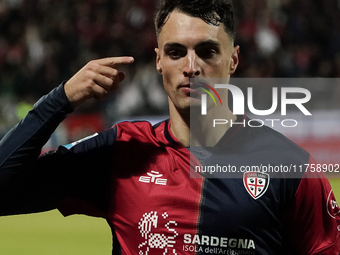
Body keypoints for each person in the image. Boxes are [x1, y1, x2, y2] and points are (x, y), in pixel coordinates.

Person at [0, 0, 339, 254]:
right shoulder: (122, 151)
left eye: (207, 51)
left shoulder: (291, 168)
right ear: (159, 60)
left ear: (233, 59)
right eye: (176, 52)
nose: (191, 67)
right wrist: (60, 100)